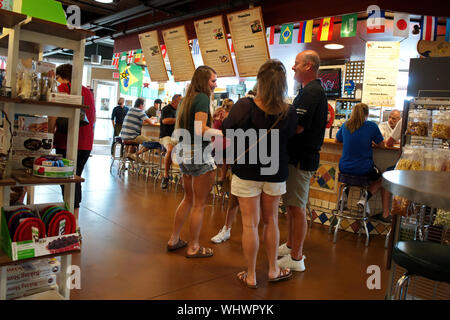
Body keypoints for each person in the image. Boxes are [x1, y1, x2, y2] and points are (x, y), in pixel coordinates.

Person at [222, 59, 297, 288]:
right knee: (271, 221)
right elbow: (291, 138)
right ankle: (273, 270)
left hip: (246, 170)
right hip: (275, 171)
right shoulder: (289, 111)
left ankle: (252, 274)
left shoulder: (244, 106)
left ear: (260, 82)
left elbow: (226, 130)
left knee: (249, 225)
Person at [277, 50, 328, 273]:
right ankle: (290, 246)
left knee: (297, 208)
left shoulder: (312, 92)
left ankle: (297, 258)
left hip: (301, 159)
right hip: (296, 158)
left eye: (296, 63)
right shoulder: (307, 91)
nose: (293, 67)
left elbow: (297, 127)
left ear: (308, 66)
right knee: (291, 206)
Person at [167, 66, 220, 258]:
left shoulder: (186, 100)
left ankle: (174, 239)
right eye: (213, 81)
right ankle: (194, 247)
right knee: (200, 204)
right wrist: (222, 132)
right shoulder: (203, 98)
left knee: (188, 199)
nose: (215, 85)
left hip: (184, 151)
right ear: (204, 81)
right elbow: (201, 130)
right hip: (199, 152)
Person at [49, 64, 96, 223]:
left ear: (60, 77)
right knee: (75, 179)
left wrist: (49, 133)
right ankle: (74, 220)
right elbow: (92, 118)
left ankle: (71, 221)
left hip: (67, 142)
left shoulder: (63, 87)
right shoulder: (87, 92)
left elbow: (54, 113)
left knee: (67, 182)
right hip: (86, 143)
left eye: (57, 78)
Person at [335, 103, 391, 219]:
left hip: (344, 167)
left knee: (351, 177)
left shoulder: (346, 125)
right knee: (383, 179)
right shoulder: (371, 126)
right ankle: (363, 199)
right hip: (363, 169)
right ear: (367, 114)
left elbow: (336, 140)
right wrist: (372, 142)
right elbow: (382, 146)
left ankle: (343, 198)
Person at [210, 98, 239, 244]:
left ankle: (221, 177)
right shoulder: (228, 117)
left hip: (217, 148)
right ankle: (222, 176)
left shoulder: (219, 114)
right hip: (224, 151)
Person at [160, 94, 182, 189]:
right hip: (166, 136)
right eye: (180, 101)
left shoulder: (179, 110)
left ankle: (186, 177)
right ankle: (166, 176)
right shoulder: (166, 109)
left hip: (177, 137)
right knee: (170, 150)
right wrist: (179, 120)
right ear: (174, 101)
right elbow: (165, 121)